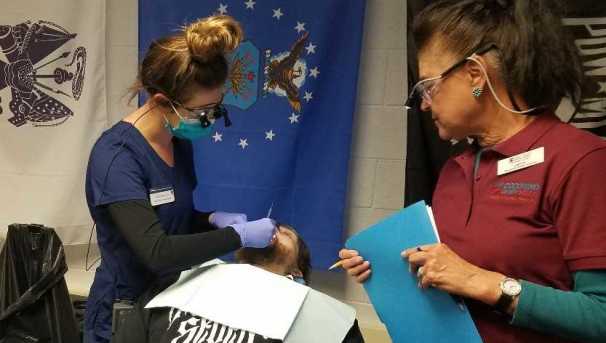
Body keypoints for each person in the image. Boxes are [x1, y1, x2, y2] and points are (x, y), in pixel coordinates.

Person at [339, 0, 606, 342]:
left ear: (476, 75)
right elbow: (450, 292)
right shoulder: (456, 170)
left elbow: (600, 313)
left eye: (429, 86)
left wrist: (485, 283)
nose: (424, 103)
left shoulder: (580, 161)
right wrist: (389, 271)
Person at [84, 15, 277, 343]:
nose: (210, 121)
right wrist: (236, 236)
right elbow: (157, 250)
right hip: (124, 313)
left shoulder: (178, 142)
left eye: (216, 109)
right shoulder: (117, 159)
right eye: (202, 112)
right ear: (160, 102)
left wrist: (209, 220)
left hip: (170, 300)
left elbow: (171, 221)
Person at [113, 224, 365, 343]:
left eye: (285, 233)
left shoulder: (325, 319)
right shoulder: (175, 285)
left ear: (297, 270)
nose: (272, 230)